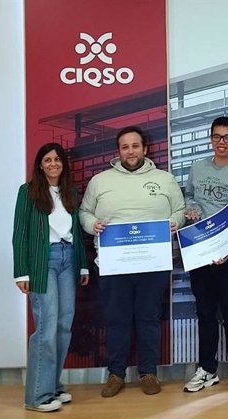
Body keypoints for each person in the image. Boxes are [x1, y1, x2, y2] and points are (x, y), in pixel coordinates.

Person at [80, 126, 186, 398]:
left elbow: (180, 210)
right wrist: (93, 224)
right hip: (114, 264)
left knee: (148, 317)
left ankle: (148, 372)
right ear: (118, 151)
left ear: (145, 149)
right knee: (117, 319)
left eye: (135, 146)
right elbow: (84, 212)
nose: (130, 151)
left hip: (153, 262)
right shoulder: (100, 181)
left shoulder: (165, 179)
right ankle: (116, 374)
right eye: (125, 147)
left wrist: (176, 222)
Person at [13, 142, 89, 412]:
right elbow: (20, 233)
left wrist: (82, 266)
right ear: (40, 164)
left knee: (63, 325)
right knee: (45, 328)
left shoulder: (70, 192)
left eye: (57, 159)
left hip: (68, 259)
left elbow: (76, 234)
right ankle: (37, 397)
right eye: (47, 160)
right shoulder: (29, 192)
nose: (53, 164)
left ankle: (53, 386)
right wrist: (21, 272)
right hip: (42, 262)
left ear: (63, 164)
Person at [182, 116, 228, 393]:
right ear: (210, 139)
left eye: (227, 137)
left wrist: (223, 247)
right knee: (205, 313)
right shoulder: (197, 169)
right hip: (199, 251)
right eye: (217, 137)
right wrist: (190, 208)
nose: (222, 142)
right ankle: (207, 369)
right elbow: (188, 196)